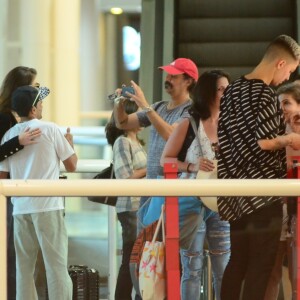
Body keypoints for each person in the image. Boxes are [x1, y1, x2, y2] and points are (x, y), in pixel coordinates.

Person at [217, 35, 300, 300]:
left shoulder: (233, 89)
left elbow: (231, 143)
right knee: (260, 268)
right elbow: (258, 145)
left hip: (234, 196)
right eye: (290, 70)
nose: (287, 77)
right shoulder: (263, 93)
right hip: (262, 195)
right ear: (280, 63)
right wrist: (287, 139)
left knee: (237, 262)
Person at [0, 85, 77, 300]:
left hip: (20, 208)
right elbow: (71, 165)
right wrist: (70, 144)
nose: (43, 106)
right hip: (49, 206)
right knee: (56, 267)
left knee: (24, 270)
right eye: (40, 103)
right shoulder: (51, 129)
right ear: (33, 109)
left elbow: (2, 176)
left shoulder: (9, 135)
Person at [160, 70, 231, 300]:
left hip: (221, 201)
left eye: (227, 89)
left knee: (224, 265)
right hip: (190, 199)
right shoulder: (189, 123)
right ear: (208, 91)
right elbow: (165, 159)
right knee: (192, 266)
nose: (225, 93)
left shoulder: (231, 123)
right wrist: (191, 166)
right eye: (220, 89)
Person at [114, 58, 198, 210]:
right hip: (150, 185)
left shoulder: (191, 110)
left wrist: (145, 105)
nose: (168, 79)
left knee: (168, 232)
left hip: (173, 187)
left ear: (188, 81)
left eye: (174, 76)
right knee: (145, 232)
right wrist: (119, 103)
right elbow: (123, 123)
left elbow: (171, 135)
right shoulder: (159, 106)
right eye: (167, 75)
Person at [0, 66, 44, 300]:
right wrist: (18, 140)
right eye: (33, 87)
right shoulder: (5, 117)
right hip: (5, 192)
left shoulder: (12, 116)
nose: (36, 91)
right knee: (9, 252)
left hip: (12, 192)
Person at [105, 99, 147, 300]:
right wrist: (151, 170)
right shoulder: (122, 142)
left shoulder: (137, 142)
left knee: (136, 257)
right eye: (137, 115)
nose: (141, 119)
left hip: (140, 205)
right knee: (131, 257)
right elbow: (125, 177)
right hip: (130, 206)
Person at [264, 82, 300, 300]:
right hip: (275, 208)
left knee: (296, 271)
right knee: (271, 270)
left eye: (287, 103)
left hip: (296, 208)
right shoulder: (271, 134)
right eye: (278, 105)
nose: (282, 109)